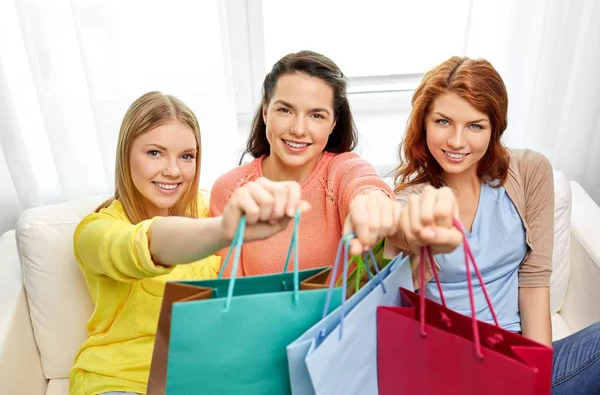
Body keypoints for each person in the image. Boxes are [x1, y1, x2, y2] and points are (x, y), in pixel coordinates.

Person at [69, 91, 309, 395]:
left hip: (200, 378)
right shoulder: (95, 230)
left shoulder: (211, 207)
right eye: (154, 153)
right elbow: (151, 243)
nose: (173, 170)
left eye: (186, 156)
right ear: (125, 154)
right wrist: (223, 229)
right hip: (121, 381)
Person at [389, 56, 600, 394]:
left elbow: (533, 284)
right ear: (424, 124)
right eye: (443, 121)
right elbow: (396, 227)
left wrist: (536, 380)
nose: (457, 141)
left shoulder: (528, 172)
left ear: (494, 128)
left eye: (475, 126)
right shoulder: (413, 198)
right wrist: (412, 231)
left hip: (515, 360)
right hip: (446, 371)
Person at [210, 50, 404, 276]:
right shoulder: (229, 190)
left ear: (333, 124)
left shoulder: (343, 171)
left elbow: (365, 184)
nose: (298, 129)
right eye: (285, 110)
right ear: (265, 112)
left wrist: (374, 202)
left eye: (316, 116)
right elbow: (228, 293)